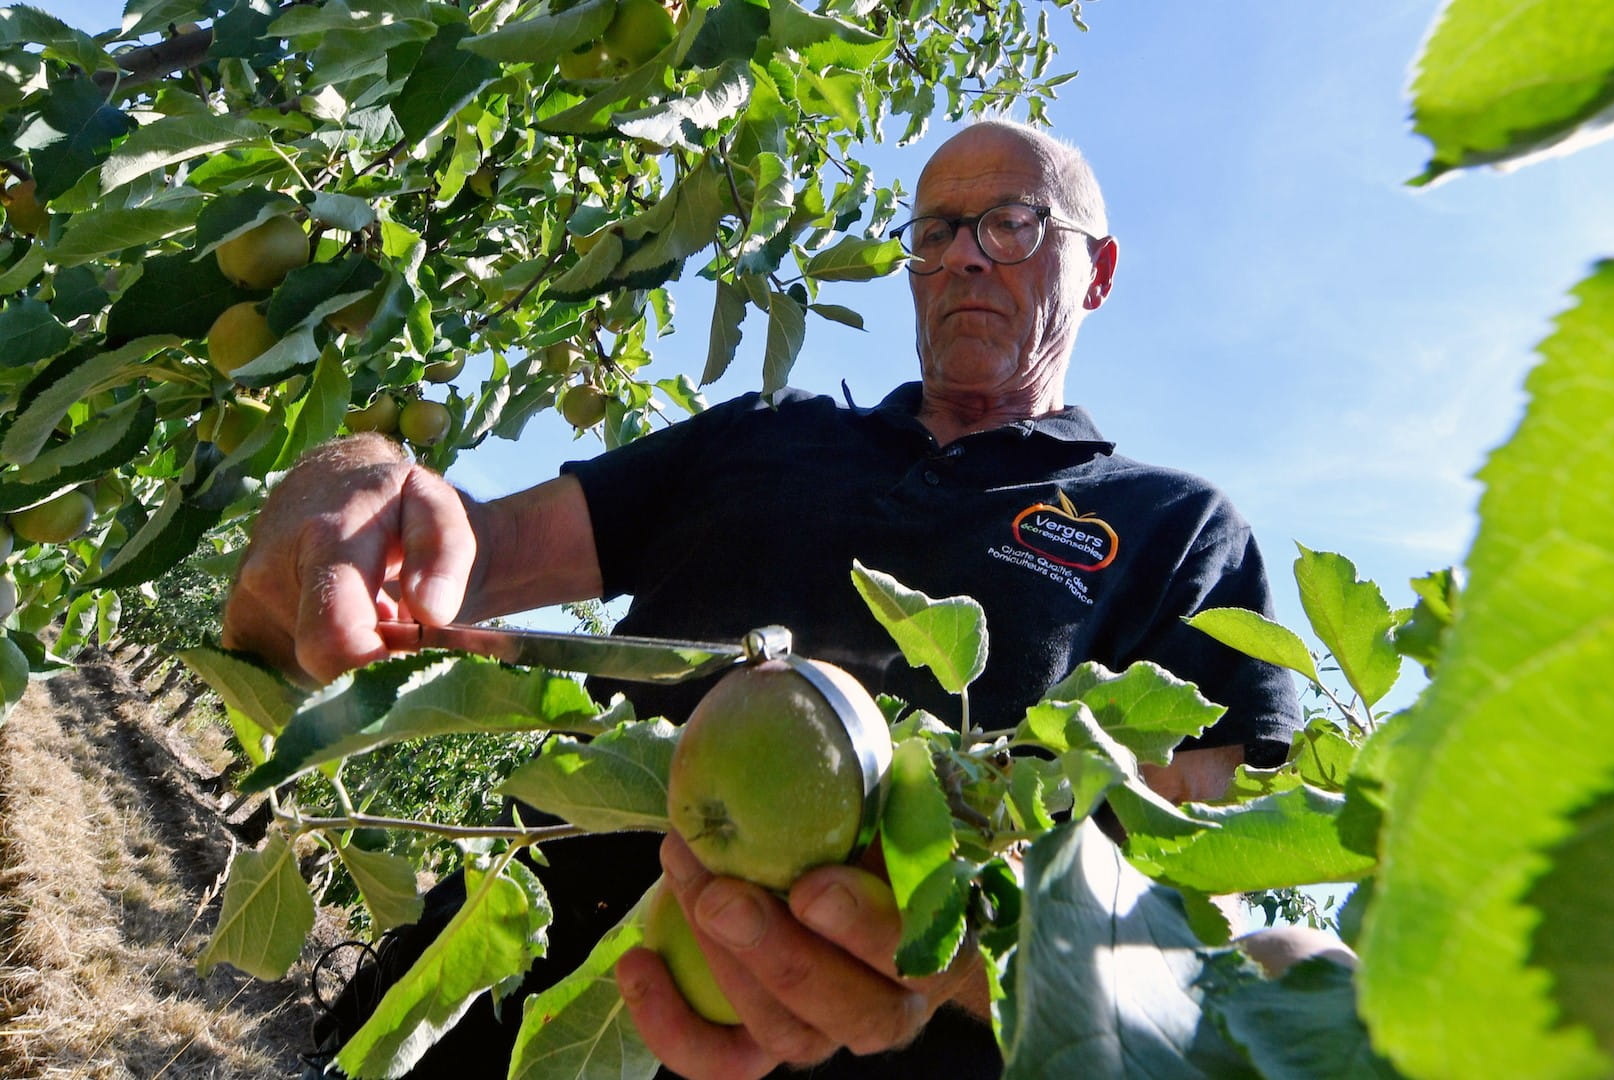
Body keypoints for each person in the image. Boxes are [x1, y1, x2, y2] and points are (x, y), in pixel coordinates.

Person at [230, 120, 1338, 1080]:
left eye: (1010, 224)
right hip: (514, 1015)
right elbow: (481, 544)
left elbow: (1192, 876)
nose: (961, 258)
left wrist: (980, 957)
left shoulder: (1173, 530)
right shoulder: (767, 432)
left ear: (1095, 272)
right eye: (932, 233)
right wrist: (364, 483)